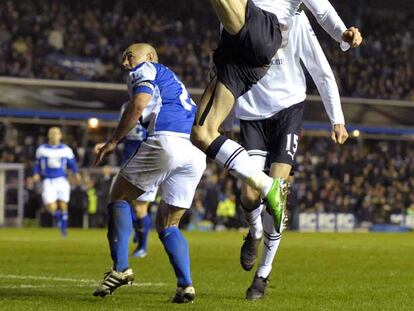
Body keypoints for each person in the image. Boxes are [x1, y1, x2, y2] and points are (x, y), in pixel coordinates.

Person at [190, 0, 362, 234]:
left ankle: (265, 267)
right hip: (238, 61)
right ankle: (255, 229)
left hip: (265, 37)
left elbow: (322, 12)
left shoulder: (296, 22)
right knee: (201, 134)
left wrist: (342, 33)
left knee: (276, 186)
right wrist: (228, 123)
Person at [236, 9, 348, 299]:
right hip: (252, 114)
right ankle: (254, 232)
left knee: (276, 196)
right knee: (249, 195)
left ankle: (262, 275)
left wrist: (337, 119)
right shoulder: (242, 16)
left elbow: (321, 70)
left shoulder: (297, 20)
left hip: (288, 109)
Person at [92, 43, 206, 303]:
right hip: (194, 153)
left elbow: (139, 104)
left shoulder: (146, 68)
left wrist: (112, 142)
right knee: (168, 224)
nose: (125, 62)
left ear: (150, 57)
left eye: (129, 56)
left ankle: (120, 268)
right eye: (123, 58)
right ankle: (185, 285)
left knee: (118, 198)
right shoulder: (174, 82)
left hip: (167, 142)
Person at [120, 102, 157, 258]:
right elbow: (122, 131)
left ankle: (142, 246)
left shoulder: (156, 106)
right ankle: (139, 229)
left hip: (147, 163)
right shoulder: (126, 107)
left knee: (141, 206)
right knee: (126, 202)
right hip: (128, 162)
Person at [33, 127, 81, 236]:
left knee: (63, 203)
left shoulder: (65, 149)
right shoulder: (41, 149)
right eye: (52, 133)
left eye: (56, 133)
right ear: (48, 135)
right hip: (48, 180)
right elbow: (37, 164)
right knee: (51, 206)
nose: (54, 135)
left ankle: (63, 225)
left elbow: (72, 164)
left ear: (60, 136)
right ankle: (59, 219)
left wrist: (76, 173)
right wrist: (36, 173)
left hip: (61, 180)